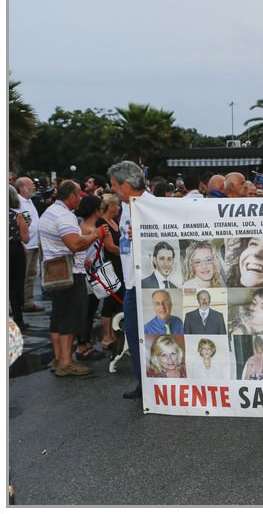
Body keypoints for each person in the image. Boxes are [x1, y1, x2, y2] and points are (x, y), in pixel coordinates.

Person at [40, 180, 107, 377]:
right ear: (71, 196)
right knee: (69, 317)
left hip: (55, 270)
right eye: (78, 195)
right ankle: (67, 363)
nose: (80, 199)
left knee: (58, 317)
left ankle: (59, 358)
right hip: (69, 273)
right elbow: (75, 244)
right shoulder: (64, 216)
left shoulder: (50, 211)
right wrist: (96, 234)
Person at [109, 160, 152, 398]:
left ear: (126, 184)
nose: (113, 190)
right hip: (131, 283)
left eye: (115, 185)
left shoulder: (153, 206)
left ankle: (157, 385)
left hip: (148, 283)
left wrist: (146, 231)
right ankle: (142, 384)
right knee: (133, 337)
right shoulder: (126, 206)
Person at [75, 194, 106, 360]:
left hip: (94, 273)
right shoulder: (84, 230)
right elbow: (79, 250)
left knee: (91, 309)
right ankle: (81, 345)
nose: (102, 211)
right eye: (100, 208)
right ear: (95, 211)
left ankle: (85, 342)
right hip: (87, 276)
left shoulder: (94, 228)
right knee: (86, 311)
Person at [96, 193, 123, 350]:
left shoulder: (113, 221)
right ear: (111, 206)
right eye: (117, 205)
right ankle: (106, 336)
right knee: (109, 298)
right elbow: (110, 247)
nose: (119, 207)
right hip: (110, 264)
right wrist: (127, 253)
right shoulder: (103, 223)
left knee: (117, 296)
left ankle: (113, 331)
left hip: (118, 263)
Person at [15, 177, 44, 313]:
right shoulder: (19, 202)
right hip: (26, 243)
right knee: (24, 275)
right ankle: (20, 302)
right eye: (31, 185)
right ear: (22, 188)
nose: (34, 187)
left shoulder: (29, 201)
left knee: (32, 274)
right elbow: (27, 221)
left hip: (34, 242)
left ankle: (28, 301)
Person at [8, 185, 31, 329]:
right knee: (16, 285)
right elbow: (26, 239)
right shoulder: (19, 216)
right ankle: (18, 318)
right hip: (14, 249)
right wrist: (26, 226)